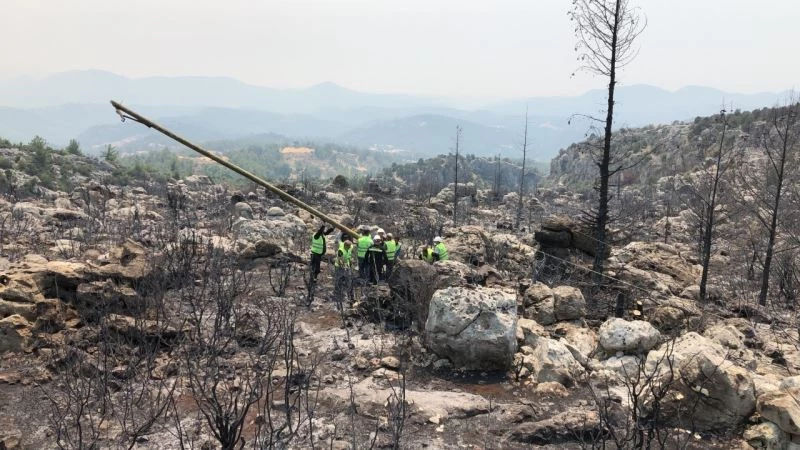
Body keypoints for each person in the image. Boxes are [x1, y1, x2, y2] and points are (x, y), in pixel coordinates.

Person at [334, 239, 355, 305]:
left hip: (346, 264)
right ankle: (337, 293)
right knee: (338, 279)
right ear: (345, 246)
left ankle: (351, 296)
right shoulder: (341, 251)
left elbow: (339, 241)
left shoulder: (350, 247)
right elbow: (340, 260)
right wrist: (344, 266)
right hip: (339, 266)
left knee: (349, 280)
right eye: (348, 247)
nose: (349, 248)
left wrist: (351, 262)